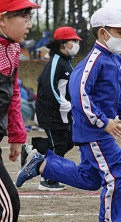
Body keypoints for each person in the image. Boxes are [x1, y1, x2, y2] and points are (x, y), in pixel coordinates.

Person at [16, 7, 121, 222]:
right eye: (119, 32)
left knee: (90, 179)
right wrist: (103, 122)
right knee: (117, 177)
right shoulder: (93, 61)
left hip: (100, 131)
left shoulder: (116, 60)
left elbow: (120, 93)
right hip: (94, 131)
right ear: (103, 33)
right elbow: (79, 94)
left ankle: (42, 164)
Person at [21, 26, 82, 191]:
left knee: (69, 142)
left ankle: (32, 151)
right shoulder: (56, 61)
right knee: (60, 144)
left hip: (62, 113)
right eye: (73, 41)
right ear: (62, 44)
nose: (76, 44)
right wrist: (63, 104)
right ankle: (47, 180)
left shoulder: (66, 61)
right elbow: (49, 86)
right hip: (51, 112)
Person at [0, 0, 40, 221]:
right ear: (3, 19)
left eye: (29, 17)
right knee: (9, 207)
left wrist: (17, 136)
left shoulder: (13, 49)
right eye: (24, 17)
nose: (29, 24)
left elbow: (13, 94)